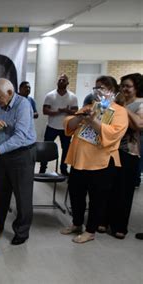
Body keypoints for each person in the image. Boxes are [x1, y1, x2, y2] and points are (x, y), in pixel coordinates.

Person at [60, 76, 128, 244]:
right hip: (79, 160)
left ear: (112, 91)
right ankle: (77, 224)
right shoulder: (90, 106)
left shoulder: (119, 111)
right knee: (76, 195)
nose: (98, 91)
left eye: (103, 88)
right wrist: (80, 117)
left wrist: (94, 122)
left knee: (97, 199)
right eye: (96, 88)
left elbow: (114, 133)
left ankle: (90, 231)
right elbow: (69, 124)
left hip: (101, 163)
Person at [0, 78, 36, 245]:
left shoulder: (23, 105)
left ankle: (21, 231)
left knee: (22, 195)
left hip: (21, 154)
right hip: (2, 155)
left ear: (9, 92)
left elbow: (21, 137)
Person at [103, 73, 143, 239]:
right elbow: (105, 121)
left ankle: (120, 226)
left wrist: (124, 107)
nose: (124, 89)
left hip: (129, 153)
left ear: (136, 88)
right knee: (108, 188)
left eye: (128, 86)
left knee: (124, 191)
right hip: (110, 150)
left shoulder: (140, 104)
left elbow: (139, 125)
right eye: (122, 86)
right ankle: (104, 221)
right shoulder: (115, 102)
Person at [40, 74, 78, 175]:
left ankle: (63, 169)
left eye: (64, 80)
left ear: (67, 83)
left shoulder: (72, 97)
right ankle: (42, 168)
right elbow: (44, 110)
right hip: (52, 126)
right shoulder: (50, 95)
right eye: (60, 80)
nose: (61, 81)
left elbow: (76, 112)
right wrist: (58, 112)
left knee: (66, 149)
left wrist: (67, 111)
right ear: (57, 82)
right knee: (46, 148)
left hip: (66, 128)